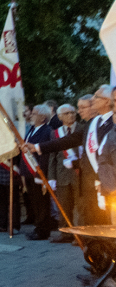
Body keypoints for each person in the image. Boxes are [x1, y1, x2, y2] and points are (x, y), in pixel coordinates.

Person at [33, 90, 109, 227]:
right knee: (89, 217)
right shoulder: (92, 124)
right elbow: (68, 141)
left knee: (100, 220)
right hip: (85, 180)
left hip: (103, 180)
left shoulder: (109, 123)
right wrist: (37, 147)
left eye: (82, 108)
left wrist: (76, 163)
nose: (78, 112)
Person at [23, 104, 56, 240]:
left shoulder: (47, 131)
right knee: (34, 202)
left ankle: (43, 230)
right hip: (28, 171)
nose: (31, 115)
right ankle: (38, 227)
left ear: (43, 117)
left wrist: (43, 173)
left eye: (35, 113)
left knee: (42, 202)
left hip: (39, 171)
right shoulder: (31, 130)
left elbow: (46, 154)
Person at [48, 104, 80, 241]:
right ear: (60, 116)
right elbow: (53, 156)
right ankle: (66, 233)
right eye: (66, 113)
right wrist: (51, 177)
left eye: (72, 112)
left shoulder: (83, 128)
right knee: (64, 207)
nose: (71, 115)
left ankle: (80, 235)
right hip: (61, 176)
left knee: (80, 207)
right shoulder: (55, 133)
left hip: (79, 174)